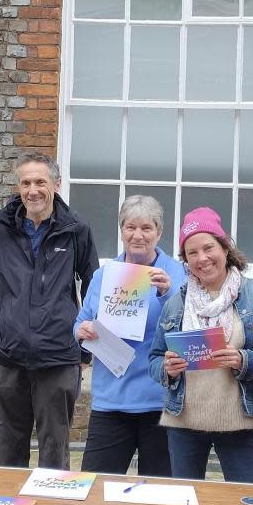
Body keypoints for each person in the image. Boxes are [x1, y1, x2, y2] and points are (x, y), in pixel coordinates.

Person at [148, 206, 253, 483]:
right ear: (185, 260)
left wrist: (246, 361)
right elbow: (154, 358)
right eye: (192, 253)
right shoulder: (176, 304)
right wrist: (167, 369)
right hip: (183, 423)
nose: (202, 258)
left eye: (208, 248)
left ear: (225, 248)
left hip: (241, 422)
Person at [0, 152, 100, 469]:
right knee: (9, 453)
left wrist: (85, 350)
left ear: (56, 185)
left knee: (54, 453)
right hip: (6, 358)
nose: (33, 190)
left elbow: (94, 289)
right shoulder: (0, 229)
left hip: (58, 358)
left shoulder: (76, 231)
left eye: (40, 182)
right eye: (26, 183)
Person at [74, 195, 186, 475]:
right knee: (97, 487)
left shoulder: (179, 274)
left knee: (159, 494)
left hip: (161, 402)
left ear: (159, 232)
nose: (138, 235)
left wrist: (166, 294)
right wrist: (81, 331)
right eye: (130, 227)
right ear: (121, 230)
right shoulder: (104, 275)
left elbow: (189, 329)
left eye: (147, 228)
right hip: (111, 399)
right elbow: (81, 320)